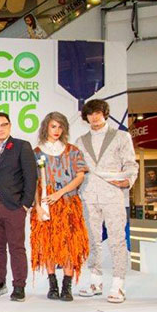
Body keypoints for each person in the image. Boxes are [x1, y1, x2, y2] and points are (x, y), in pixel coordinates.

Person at [75, 99, 138, 303]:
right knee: (92, 240)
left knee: (117, 239)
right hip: (88, 196)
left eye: (98, 113)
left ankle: (118, 284)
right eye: (90, 114)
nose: (94, 117)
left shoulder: (121, 136)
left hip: (112, 194)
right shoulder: (80, 141)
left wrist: (128, 181)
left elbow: (131, 164)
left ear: (105, 114)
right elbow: (77, 169)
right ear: (86, 117)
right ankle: (95, 281)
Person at [31, 112, 89, 302]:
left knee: (70, 245)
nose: (57, 130)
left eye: (60, 126)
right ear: (46, 128)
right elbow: (33, 183)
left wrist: (60, 193)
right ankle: (52, 285)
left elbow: (80, 176)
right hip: (46, 205)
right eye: (53, 126)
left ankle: (67, 286)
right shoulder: (36, 152)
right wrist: (37, 206)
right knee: (47, 244)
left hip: (68, 204)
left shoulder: (72, 151)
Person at [0, 112, 36, 302]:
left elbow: (31, 177)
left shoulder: (22, 146)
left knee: (16, 247)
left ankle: (19, 286)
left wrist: (25, 205)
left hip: (14, 207)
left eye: (3, 124)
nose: (0, 129)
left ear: (10, 126)